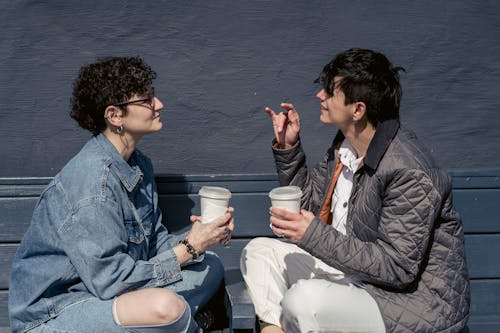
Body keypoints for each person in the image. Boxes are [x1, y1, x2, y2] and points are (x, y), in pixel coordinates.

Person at [240, 48, 469, 333]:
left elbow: (397, 268)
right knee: (259, 251)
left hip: (410, 303)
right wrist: (289, 149)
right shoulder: (344, 147)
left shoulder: (410, 171)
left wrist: (312, 235)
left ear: (357, 109)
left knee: (304, 300)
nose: (319, 96)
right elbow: (310, 207)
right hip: (352, 274)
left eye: (329, 91)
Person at [9, 56, 234, 333]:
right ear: (115, 115)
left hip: (111, 296)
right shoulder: (92, 186)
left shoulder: (139, 164)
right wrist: (189, 249)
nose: (159, 105)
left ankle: (172, 321)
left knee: (209, 265)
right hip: (57, 312)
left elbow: (153, 242)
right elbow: (109, 281)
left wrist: (202, 236)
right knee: (166, 307)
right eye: (147, 99)